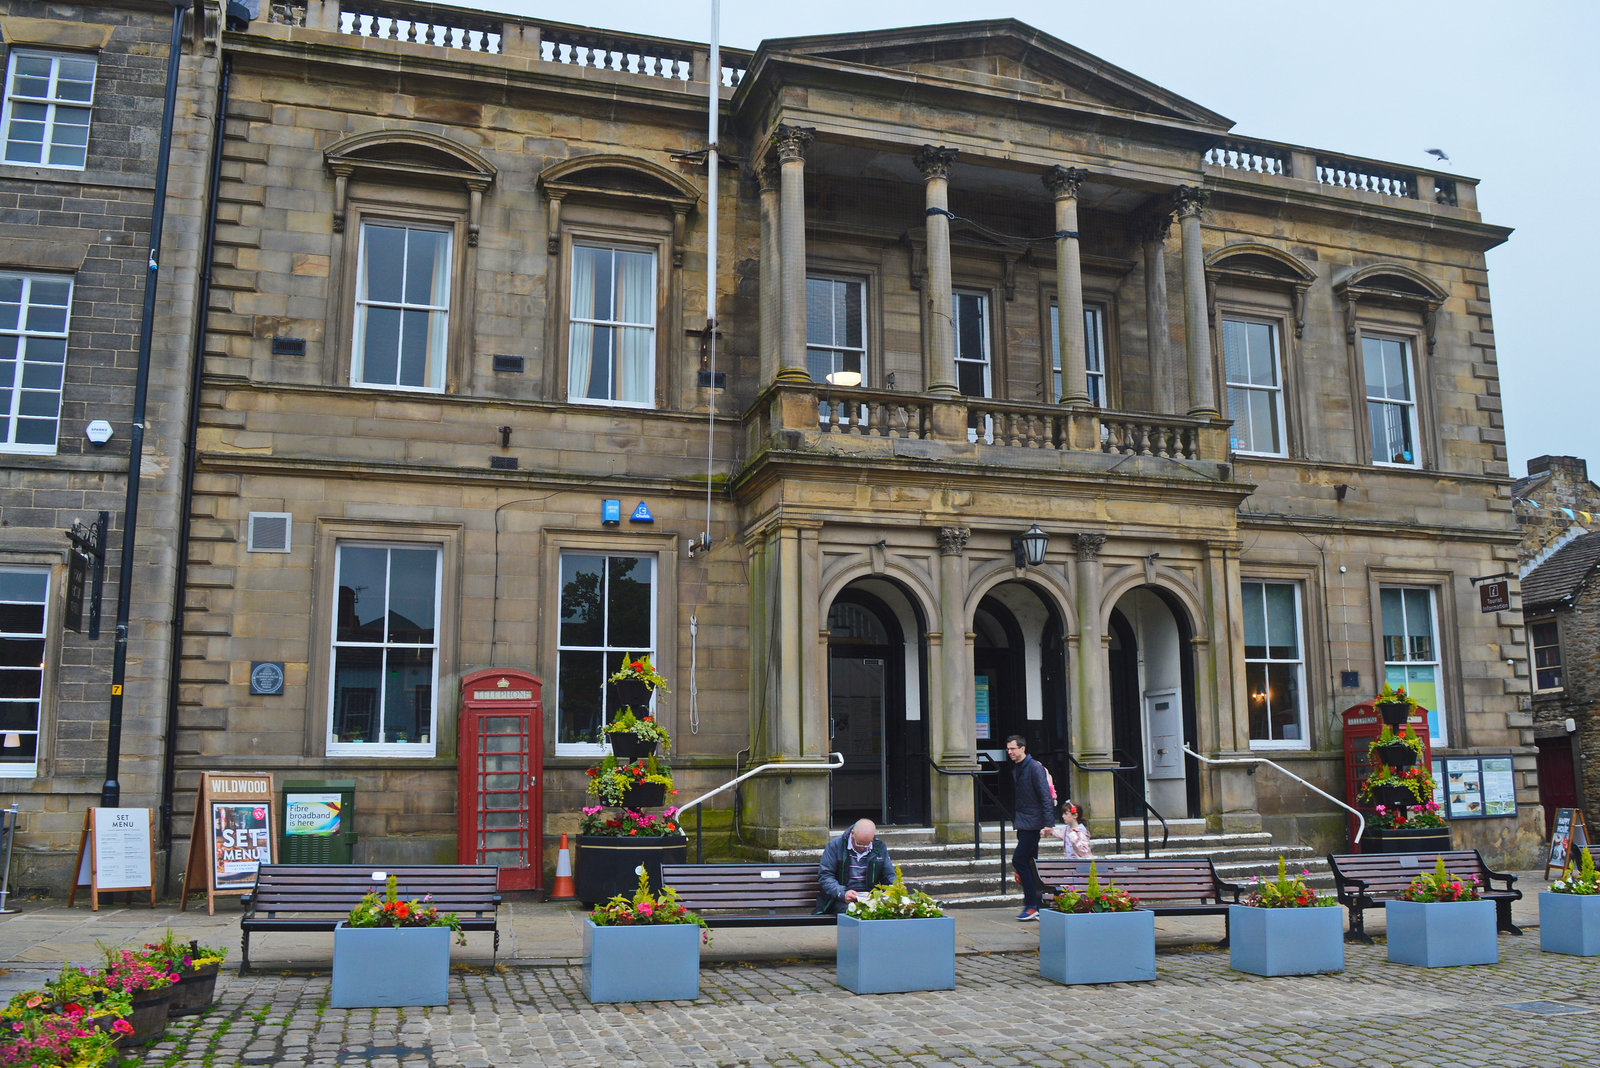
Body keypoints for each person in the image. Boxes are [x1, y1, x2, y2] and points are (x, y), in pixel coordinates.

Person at [1005, 734, 1055, 920]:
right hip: (1024, 821)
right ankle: (1037, 904)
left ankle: (1032, 905)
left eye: (1013, 748)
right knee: (1031, 864)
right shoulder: (1019, 768)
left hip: (1032, 823)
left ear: (1022, 748)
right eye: (1008, 749)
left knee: (1019, 861)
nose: (1010, 752)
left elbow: (1045, 796)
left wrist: (1049, 823)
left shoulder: (1034, 768)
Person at [814, 818, 893, 915]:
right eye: (859, 844)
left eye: (867, 845)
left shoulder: (879, 847)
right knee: (853, 910)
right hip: (840, 899)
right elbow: (825, 876)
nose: (862, 848)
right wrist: (843, 894)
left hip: (870, 897)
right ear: (852, 833)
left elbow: (889, 874)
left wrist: (894, 888)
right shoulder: (835, 845)